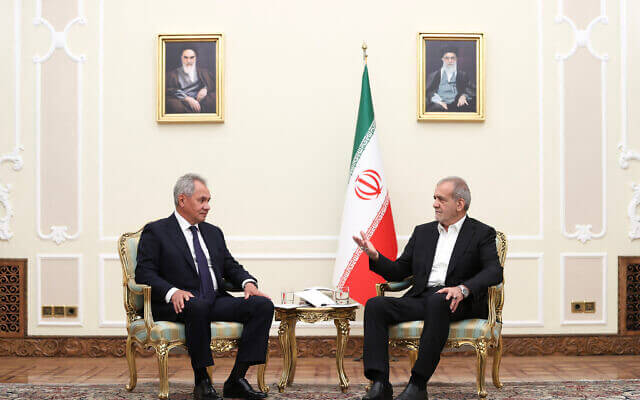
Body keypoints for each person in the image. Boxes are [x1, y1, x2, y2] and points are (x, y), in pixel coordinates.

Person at [353, 177, 502, 400]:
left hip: (458, 301)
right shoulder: (423, 232)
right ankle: (380, 383)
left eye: (441, 199)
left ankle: (417, 385)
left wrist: (462, 288)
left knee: (438, 300)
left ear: (459, 204)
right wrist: (375, 257)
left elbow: (494, 271)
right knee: (376, 305)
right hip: (423, 297)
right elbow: (399, 271)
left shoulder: (481, 233)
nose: (434, 204)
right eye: (434, 198)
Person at [136, 173, 273, 400]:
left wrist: (248, 283)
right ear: (182, 200)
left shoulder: (212, 232)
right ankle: (202, 382)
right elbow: (144, 272)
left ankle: (236, 379)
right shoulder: (157, 231)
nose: (208, 206)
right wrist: (173, 292)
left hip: (214, 299)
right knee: (197, 306)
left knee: (262, 305)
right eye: (202, 200)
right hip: (179, 303)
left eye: (209, 200)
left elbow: (230, 265)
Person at [166, 48, 217, 113]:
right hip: (182, 101)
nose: (189, 61)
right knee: (173, 105)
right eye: (185, 58)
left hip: (201, 100)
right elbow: (170, 90)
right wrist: (187, 99)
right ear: (181, 58)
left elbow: (211, 84)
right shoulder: (173, 74)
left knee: (214, 99)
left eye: (191, 57)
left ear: (195, 58)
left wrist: (205, 89)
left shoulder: (203, 72)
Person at [425, 48, 476, 112]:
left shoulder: (462, 75)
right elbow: (427, 92)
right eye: (447, 58)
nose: (450, 61)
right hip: (438, 104)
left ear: (456, 59)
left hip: (457, 104)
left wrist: (464, 96)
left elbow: (471, 89)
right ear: (442, 59)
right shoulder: (433, 75)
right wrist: (438, 101)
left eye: (452, 58)